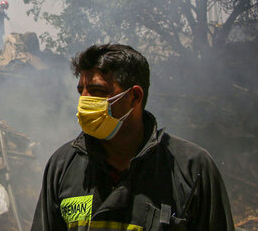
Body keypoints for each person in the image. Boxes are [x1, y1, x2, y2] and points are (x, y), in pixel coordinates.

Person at [32, 44, 233, 230]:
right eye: (81, 91)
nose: (84, 101)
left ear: (135, 97)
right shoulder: (63, 165)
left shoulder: (192, 168)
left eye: (97, 91)